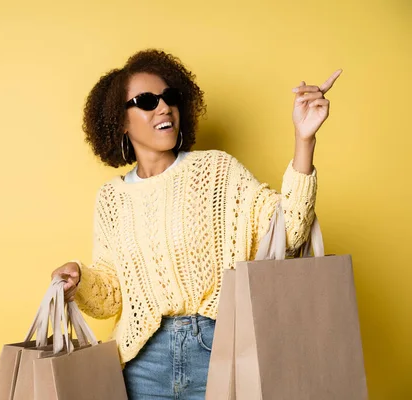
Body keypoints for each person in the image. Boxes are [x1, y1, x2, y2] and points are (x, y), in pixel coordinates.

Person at [50, 49, 341, 399]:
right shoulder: (111, 198)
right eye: (146, 101)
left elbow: (291, 231)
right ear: (121, 121)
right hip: (141, 362)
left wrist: (304, 139)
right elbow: (113, 295)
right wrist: (79, 279)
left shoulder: (216, 172)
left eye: (169, 97)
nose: (163, 107)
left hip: (221, 349)